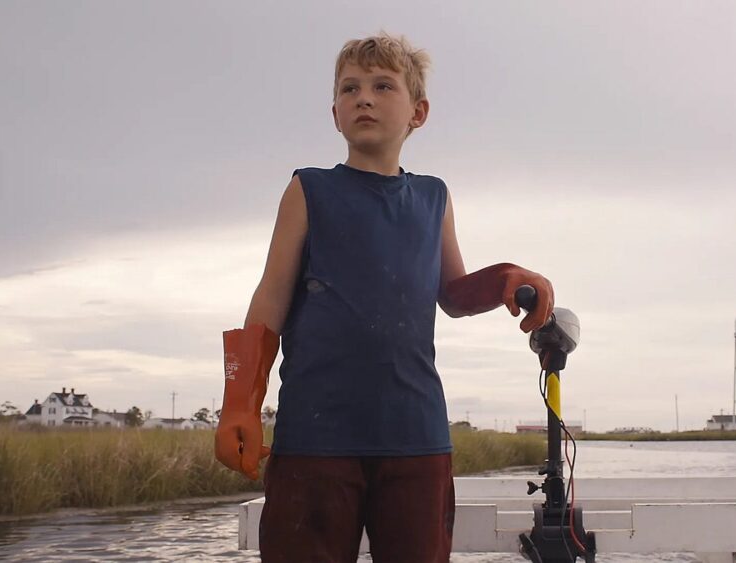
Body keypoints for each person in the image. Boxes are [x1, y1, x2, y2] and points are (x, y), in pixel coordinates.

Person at [214, 32, 554, 563]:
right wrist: (241, 403)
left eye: (381, 86)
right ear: (334, 114)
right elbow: (270, 299)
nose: (363, 98)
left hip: (415, 437)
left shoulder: (433, 196)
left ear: (418, 112)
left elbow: (453, 293)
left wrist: (505, 278)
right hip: (315, 437)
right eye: (349, 89)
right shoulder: (309, 190)